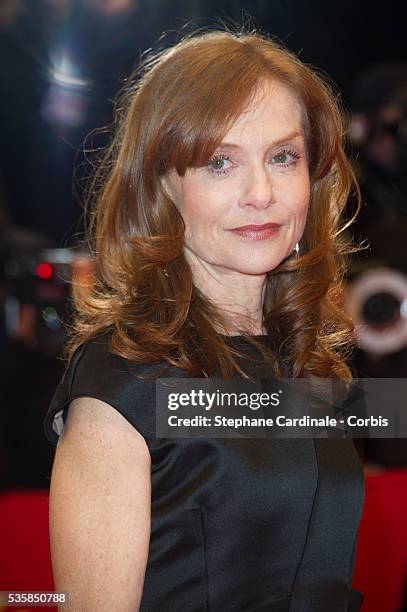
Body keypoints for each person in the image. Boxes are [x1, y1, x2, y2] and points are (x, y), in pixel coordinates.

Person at [43, 28, 365, 611]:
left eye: (283, 157)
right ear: (163, 184)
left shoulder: (306, 362)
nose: (261, 192)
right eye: (221, 162)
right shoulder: (123, 385)